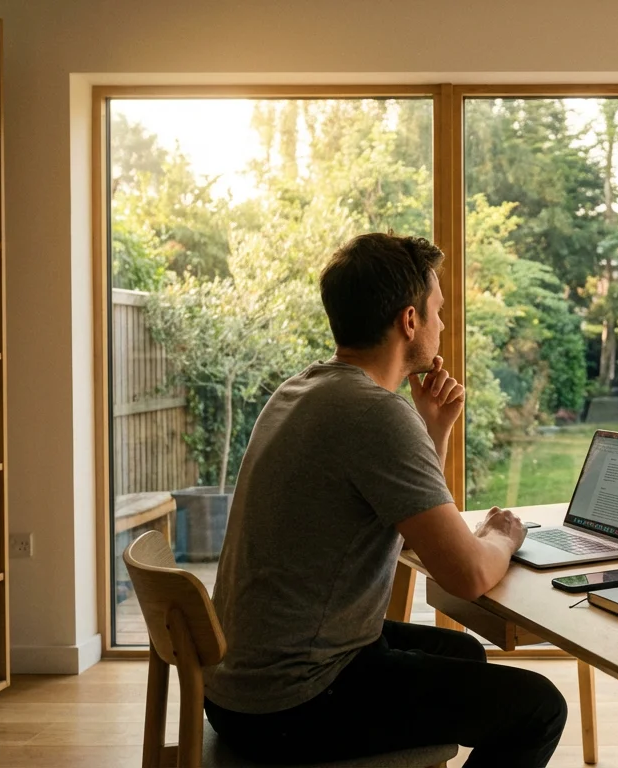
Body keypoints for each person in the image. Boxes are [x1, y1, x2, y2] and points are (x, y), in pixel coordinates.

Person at [203, 233, 568, 767]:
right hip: (291, 703)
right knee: (539, 709)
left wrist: (432, 430)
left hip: (242, 681)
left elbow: (401, 514)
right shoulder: (374, 414)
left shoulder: (304, 388)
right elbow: (465, 575)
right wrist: (502, 537)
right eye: (438, 311)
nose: (443, 325)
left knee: (464, 653)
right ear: (409, 321)